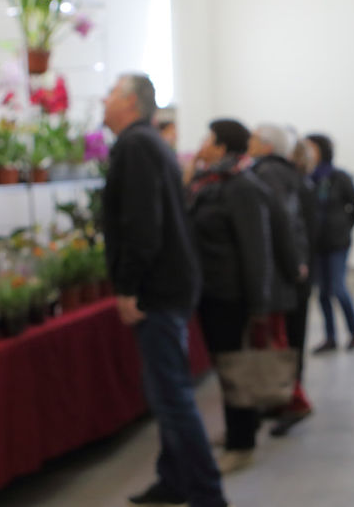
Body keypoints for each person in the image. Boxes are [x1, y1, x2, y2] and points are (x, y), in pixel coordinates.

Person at [101, 73, 229, 507]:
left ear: (130, 105)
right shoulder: (149, 143)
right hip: (171, 281)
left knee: (171, 394)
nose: (104, 99)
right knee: (163, 389)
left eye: (111, 93)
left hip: (158, 287)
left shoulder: (136, 146)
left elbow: (142, 224)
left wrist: (128, 287)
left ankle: (207, 492)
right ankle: (174, 479)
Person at [188, 119, 292, 474]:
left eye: (207, 138)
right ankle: (237, 430)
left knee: (238, 368)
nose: (201, 143)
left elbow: (256, 248)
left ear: (220, 147)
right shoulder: (211, 181)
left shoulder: (240, 186)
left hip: (233, 296)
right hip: (214, 292)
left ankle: (242, 443)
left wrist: (259, 304)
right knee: (227, 367)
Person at [248, 124, 316, 436]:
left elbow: (282, 224)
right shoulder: (285, 172)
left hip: (281, 275)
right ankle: (284, 398)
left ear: (265, 145)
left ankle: (293, 401)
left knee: (280, 340)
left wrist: (291, 266)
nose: (248, 142)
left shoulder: (268, 174)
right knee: (288, 338)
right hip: (292, 272)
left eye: (253, 137)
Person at [305, 133, 354, 353]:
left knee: (338, 288)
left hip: (338, 242)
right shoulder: (309, 178)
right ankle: (330, 337)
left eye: (312, 147)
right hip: (317, 244)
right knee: (322, 293)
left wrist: (344, 227)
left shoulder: (340, 177)